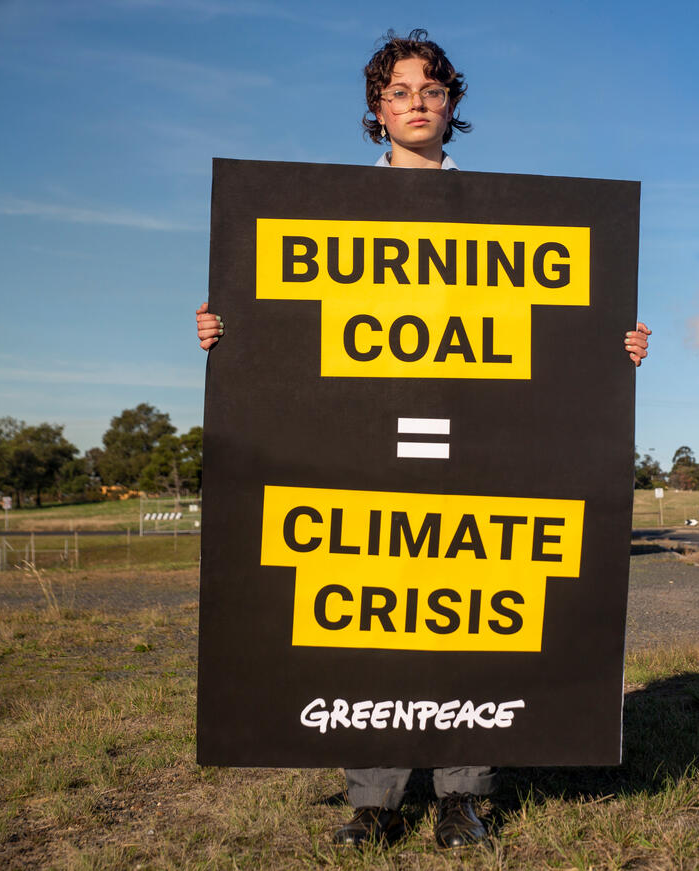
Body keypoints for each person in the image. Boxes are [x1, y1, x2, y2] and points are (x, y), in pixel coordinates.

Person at [194, 29, 650, 850]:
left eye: (431, 91)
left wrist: (610, 348)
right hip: (361, 447)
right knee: (369, 606)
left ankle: (463, 795)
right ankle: (373, 798)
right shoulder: (321, 212)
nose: (415, 104)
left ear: (452, 105)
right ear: (377, 110)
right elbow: (288, 328)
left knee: (470, 601)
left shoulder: (508, 216)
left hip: (473, 449)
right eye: (399, 92)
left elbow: (553, 331)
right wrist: (230, 329)